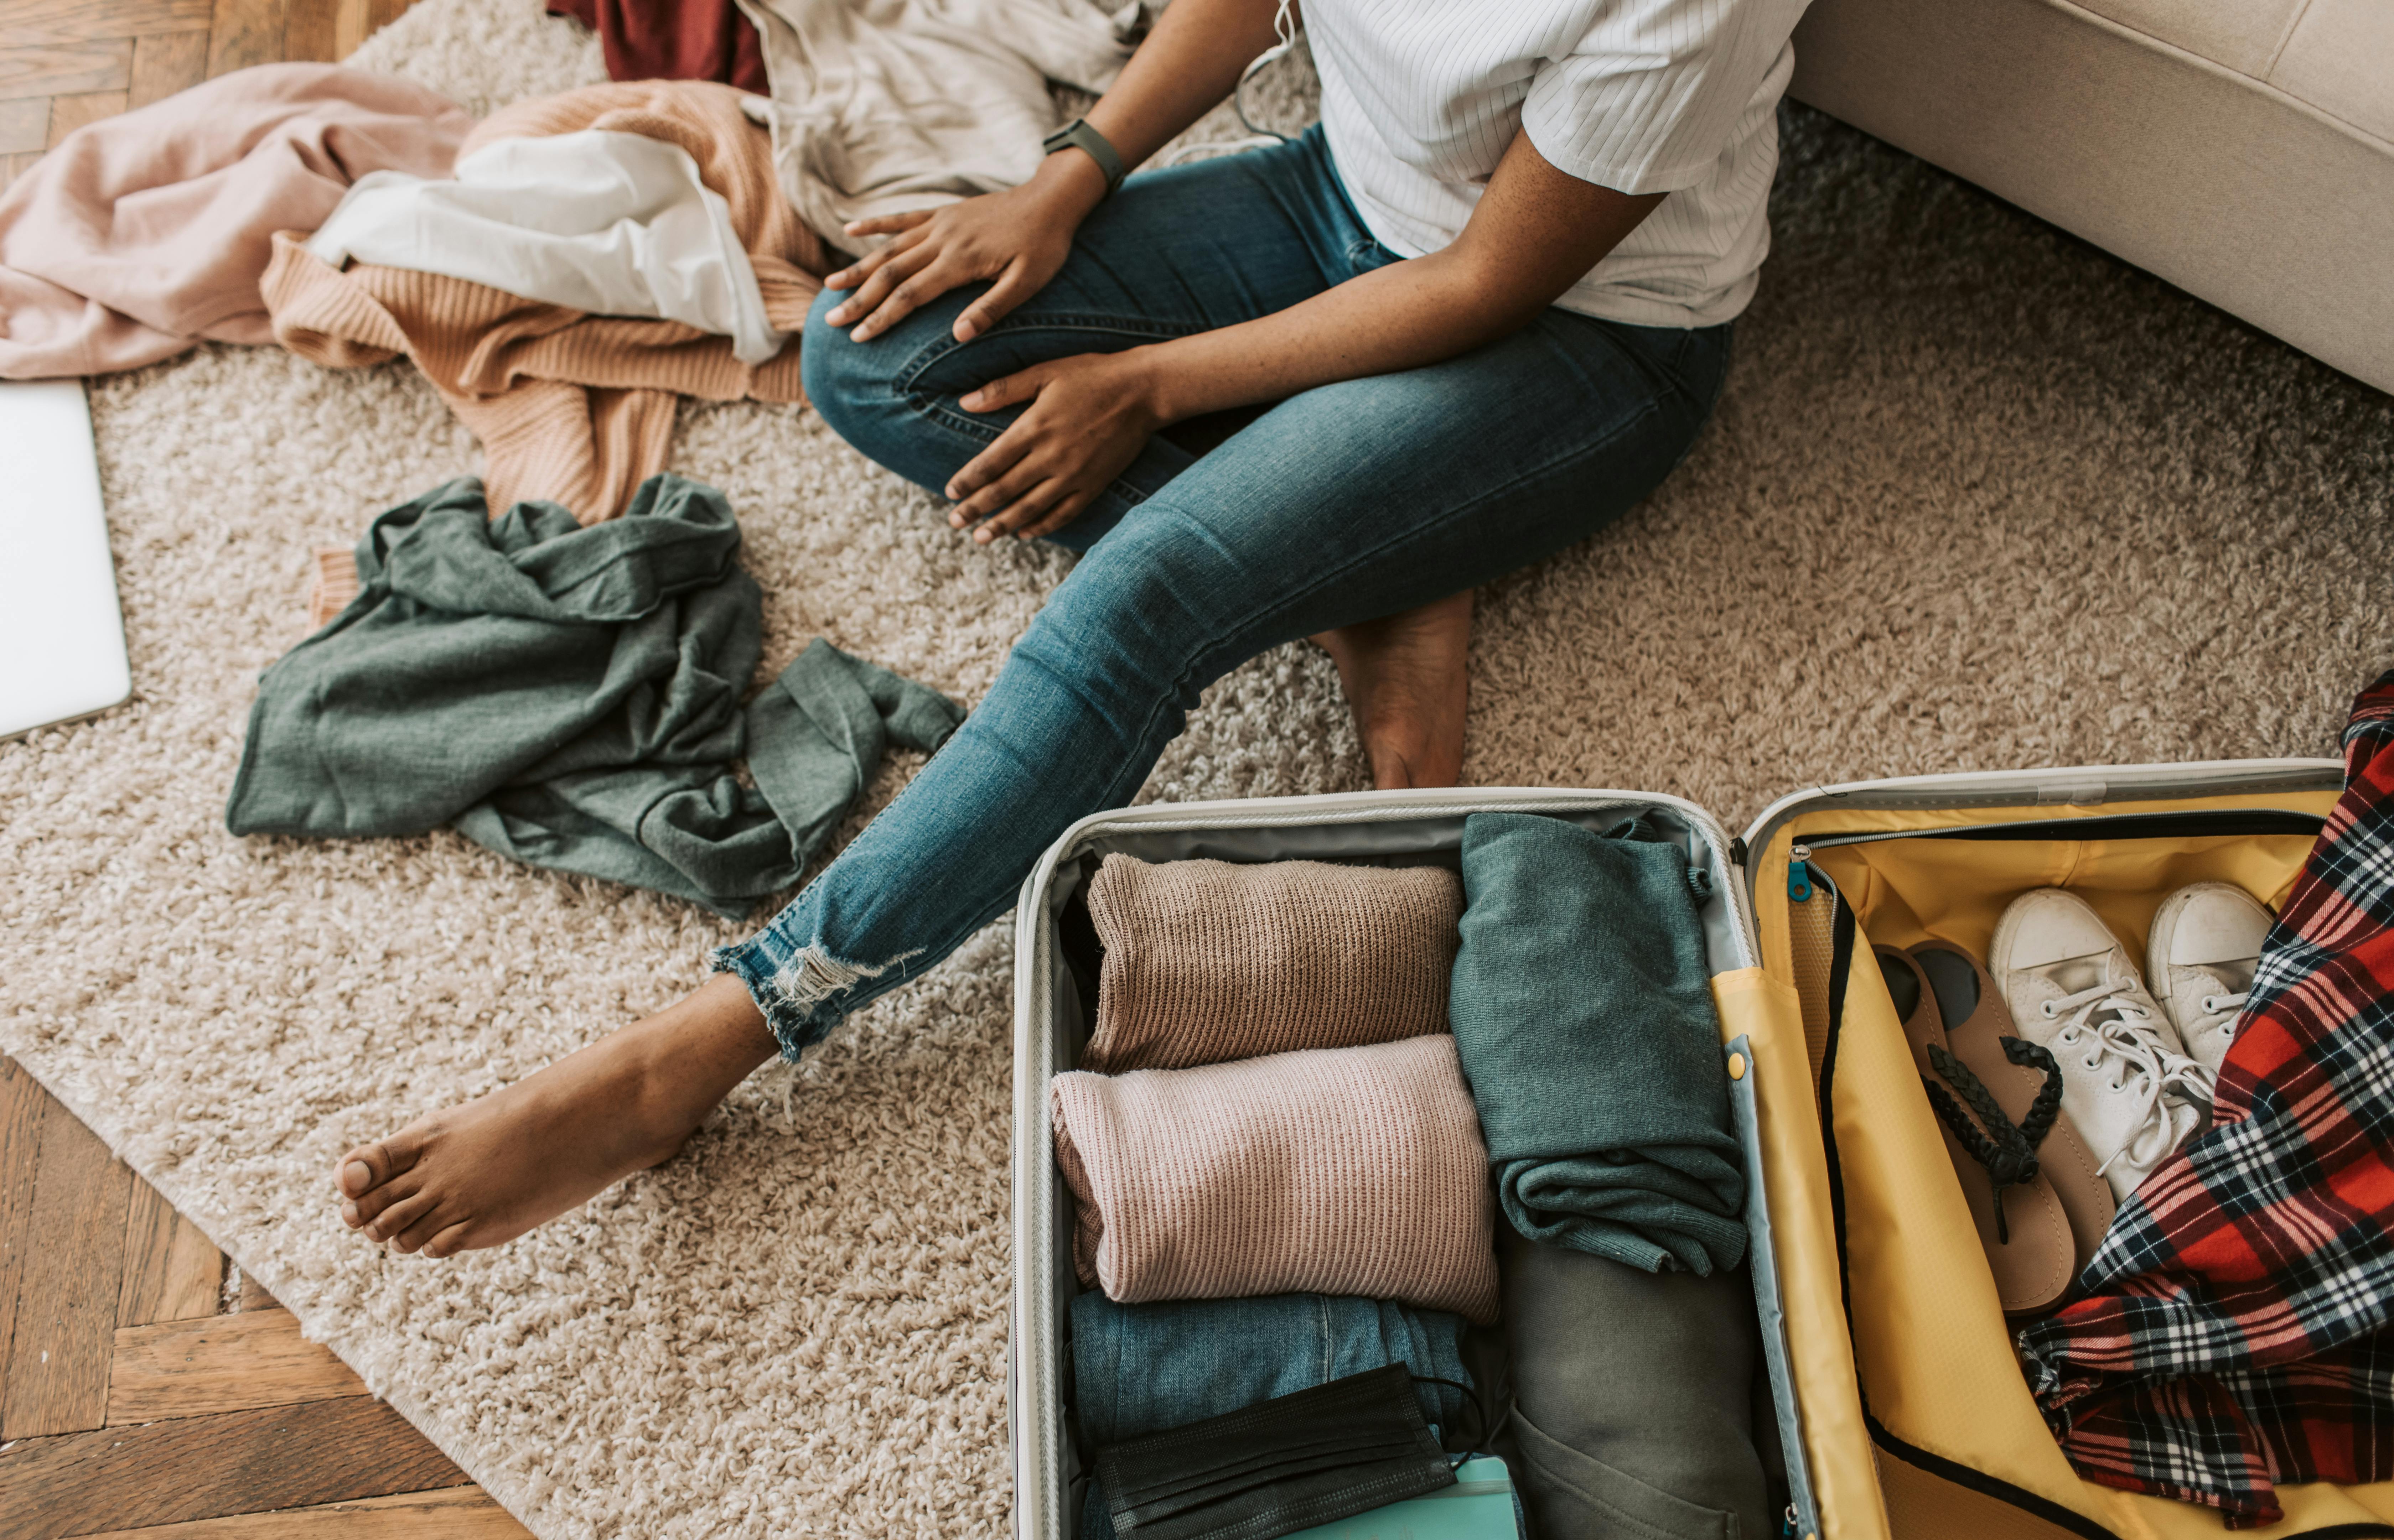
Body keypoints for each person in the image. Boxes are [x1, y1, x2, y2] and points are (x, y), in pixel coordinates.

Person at [332, 0, 1811, 1255]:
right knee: (877, 353)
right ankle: (1380, 571)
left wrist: (1155, 384)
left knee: (1153, 587)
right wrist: (1071, 173)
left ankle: (715, 1037)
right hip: (1336, 203)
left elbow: (1494, 275)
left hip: (1579, 341)